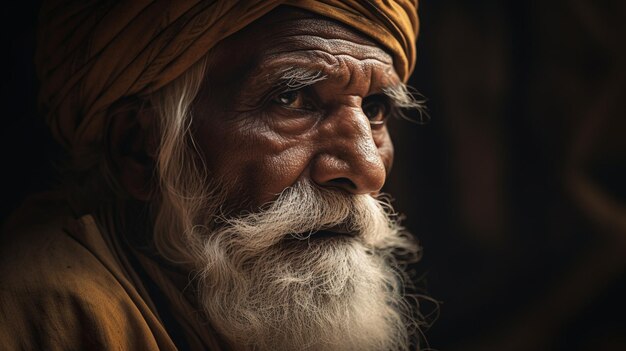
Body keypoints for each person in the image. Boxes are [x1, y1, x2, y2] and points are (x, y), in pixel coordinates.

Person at [0, 1, 424, 350]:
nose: (367, 170)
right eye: (290, 98)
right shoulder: (48, 319)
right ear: (140, 149)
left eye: (375, 109)